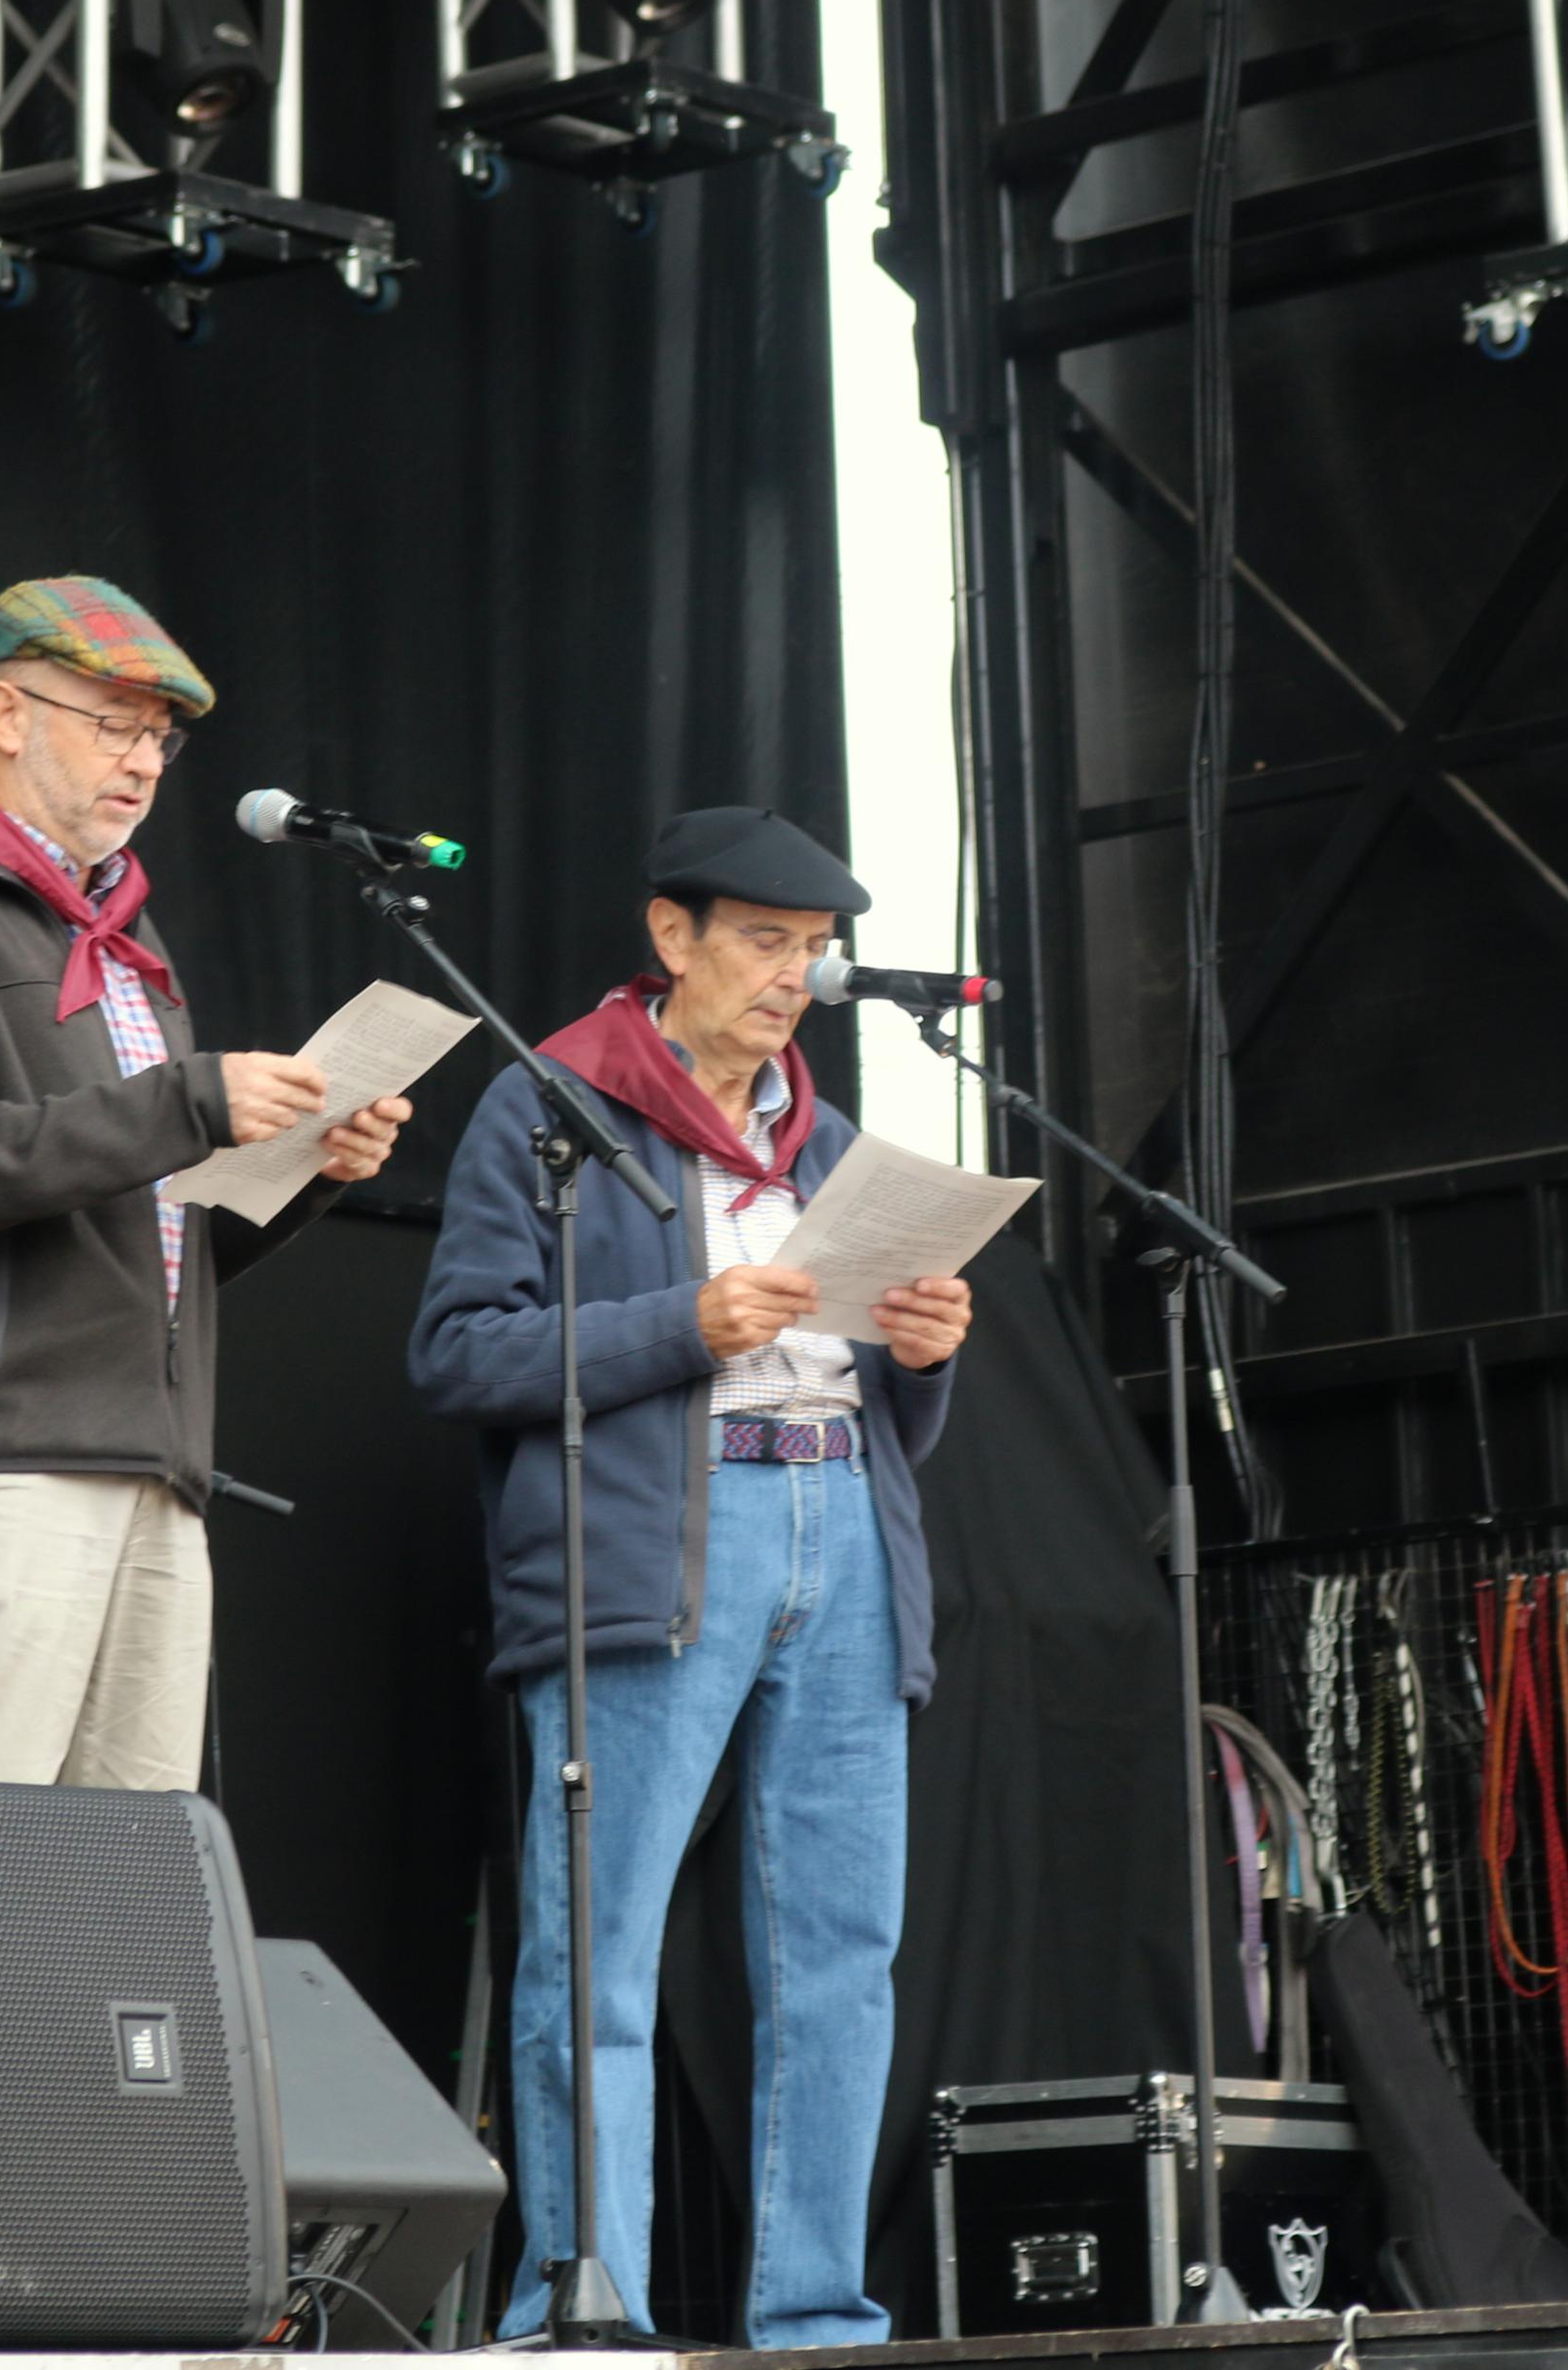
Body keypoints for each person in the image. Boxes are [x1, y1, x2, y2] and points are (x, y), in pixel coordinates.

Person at [409, 807, 972, 2347]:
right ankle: (581, 2304)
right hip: (662, 1536)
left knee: (839, 1957)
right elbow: (455, 1351)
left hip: (840, 1526)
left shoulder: (830, 1135)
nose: (793, 977)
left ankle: (816, 2313)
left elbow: (884, 1405)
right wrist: (686, 1328)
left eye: (811, 950)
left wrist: (918, 1355)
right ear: (671, 938)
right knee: (598, 1941)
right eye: (762, 941)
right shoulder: (548, 1105)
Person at [0, 575, 411, 1789]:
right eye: (113, 723)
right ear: (9, 714)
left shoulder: (131, 948)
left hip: (150, 1466)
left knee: (124, 1905)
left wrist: (301, 1173)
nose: (144, 761)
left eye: (160, 737)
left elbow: (150, 1235)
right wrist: (189, 1102)